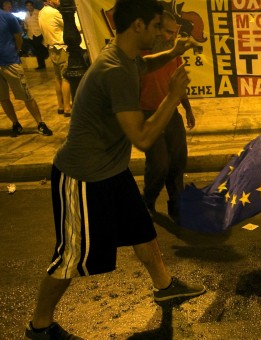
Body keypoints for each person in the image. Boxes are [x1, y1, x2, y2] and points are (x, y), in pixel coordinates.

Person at [25, 0, 204, 338]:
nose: (159, 34)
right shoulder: (115, 70)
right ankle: (39, 326)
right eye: (155, 27)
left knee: (140, 226)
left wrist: (172, 52)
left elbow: (144, 65)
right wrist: (172, 96)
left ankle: (165, 285)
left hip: (111, 169)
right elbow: (142, 137)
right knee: (71, 255)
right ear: (138, 25)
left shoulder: (121, 57)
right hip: (83, 175)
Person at [141, 10, 195, 224]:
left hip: (171, 113)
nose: (172, 37)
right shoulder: (139, 56)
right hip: (148, 115)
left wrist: (187, 108)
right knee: (159, 163)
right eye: (168, 32)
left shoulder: (174, 53)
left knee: (178, 161)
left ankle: (176, 204)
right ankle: (148, 200)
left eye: (175, 32)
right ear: (155, 30)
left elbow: (178, 83)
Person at [1, 8, 52, 137]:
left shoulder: (7, 17)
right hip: (8, 60)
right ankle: (15, 123)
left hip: (10, 61)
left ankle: (40, 123)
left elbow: (18, 37)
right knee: (3, 98)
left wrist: (17, 52)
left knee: (26, 94)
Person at [38, 0, 72, 116]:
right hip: (61, 47)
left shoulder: (41, 12)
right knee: (66, 78)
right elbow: (70, 25)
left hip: (51, 47)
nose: (59, 0)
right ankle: (67, 108)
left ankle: (61, 106)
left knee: (58, 78)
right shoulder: (54, 12)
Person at [23, 0, 49, 70]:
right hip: (31, 35)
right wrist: (25, 27)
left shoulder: (38, 12)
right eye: (27, 6)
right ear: (26, 7)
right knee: (36, 50)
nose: (29, 7)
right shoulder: (26, 14)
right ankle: (41, 65)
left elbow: (43, 22)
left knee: (39, 47)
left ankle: (43, 62)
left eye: (30, 5)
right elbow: (26, 24)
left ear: (32, 5)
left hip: (38, 33)